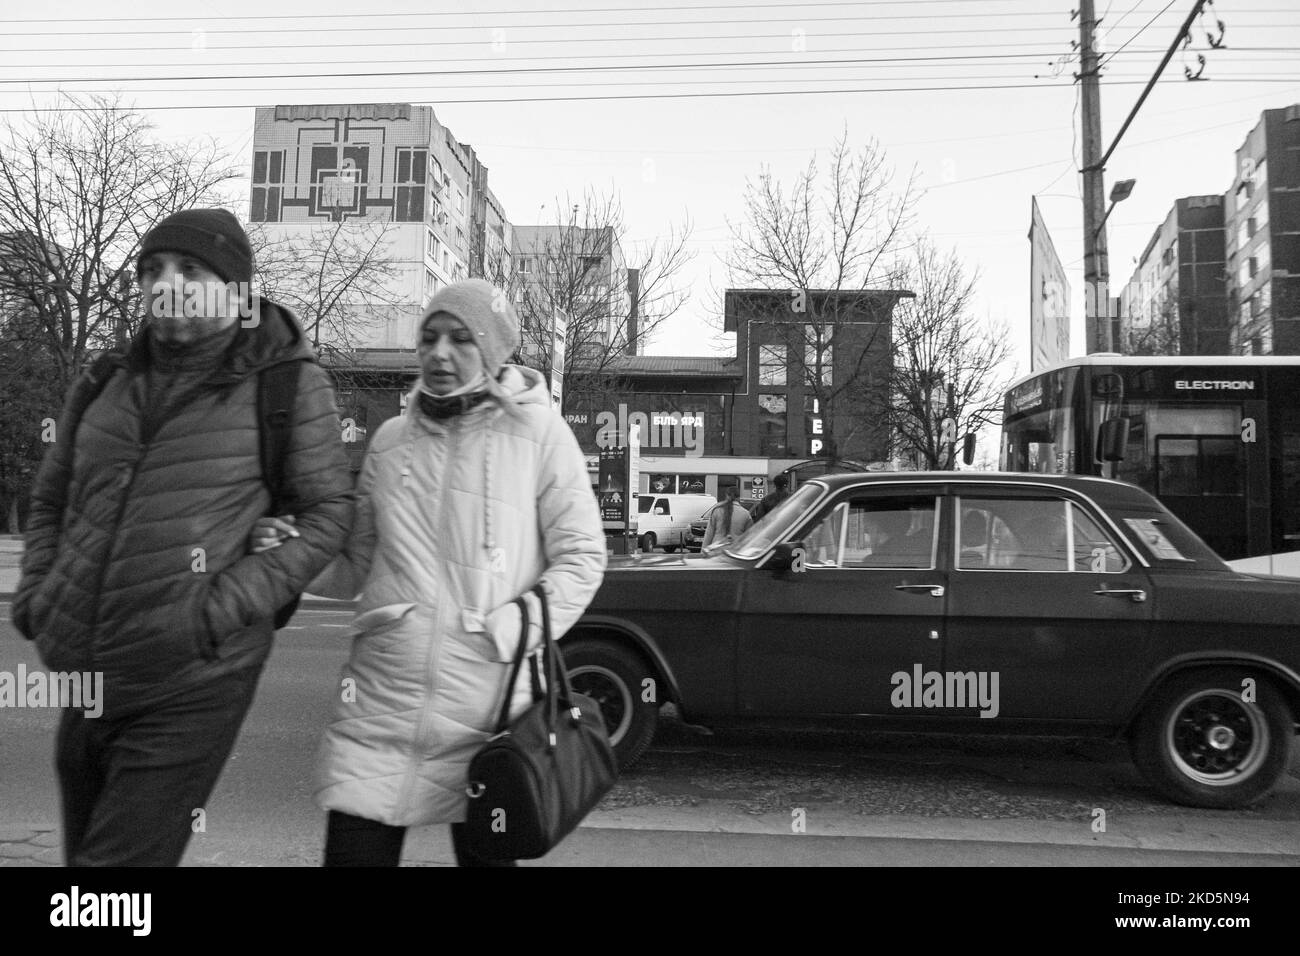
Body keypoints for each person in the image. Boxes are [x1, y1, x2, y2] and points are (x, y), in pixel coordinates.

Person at [11, 208, 354, 866]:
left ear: (236, 290)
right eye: (151, 269)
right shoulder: (105, 378)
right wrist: (39, 595)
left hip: (191, 681)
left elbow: (328, 514)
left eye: (190, 269)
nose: (165, 282)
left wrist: (216, 610)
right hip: (85, 678)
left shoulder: (286, 382)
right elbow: (53, 494)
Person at [251, 278, 606, 867]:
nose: (440, 353)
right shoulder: (391, 442)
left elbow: (583, 556)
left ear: (493, 352)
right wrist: (291, 554)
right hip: (381, 708)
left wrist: (515, 627)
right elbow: (355, 568)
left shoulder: (540, 435)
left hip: (493, 717)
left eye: (462, 339)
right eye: (429, 337)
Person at [701, 486, 754, 551]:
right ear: (739, 497)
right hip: (735, 551)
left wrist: (703, 551)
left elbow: (709, 534)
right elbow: (748, 537)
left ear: (726, 495)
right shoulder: (746, 514)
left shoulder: (717, 510)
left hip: (716, 549)